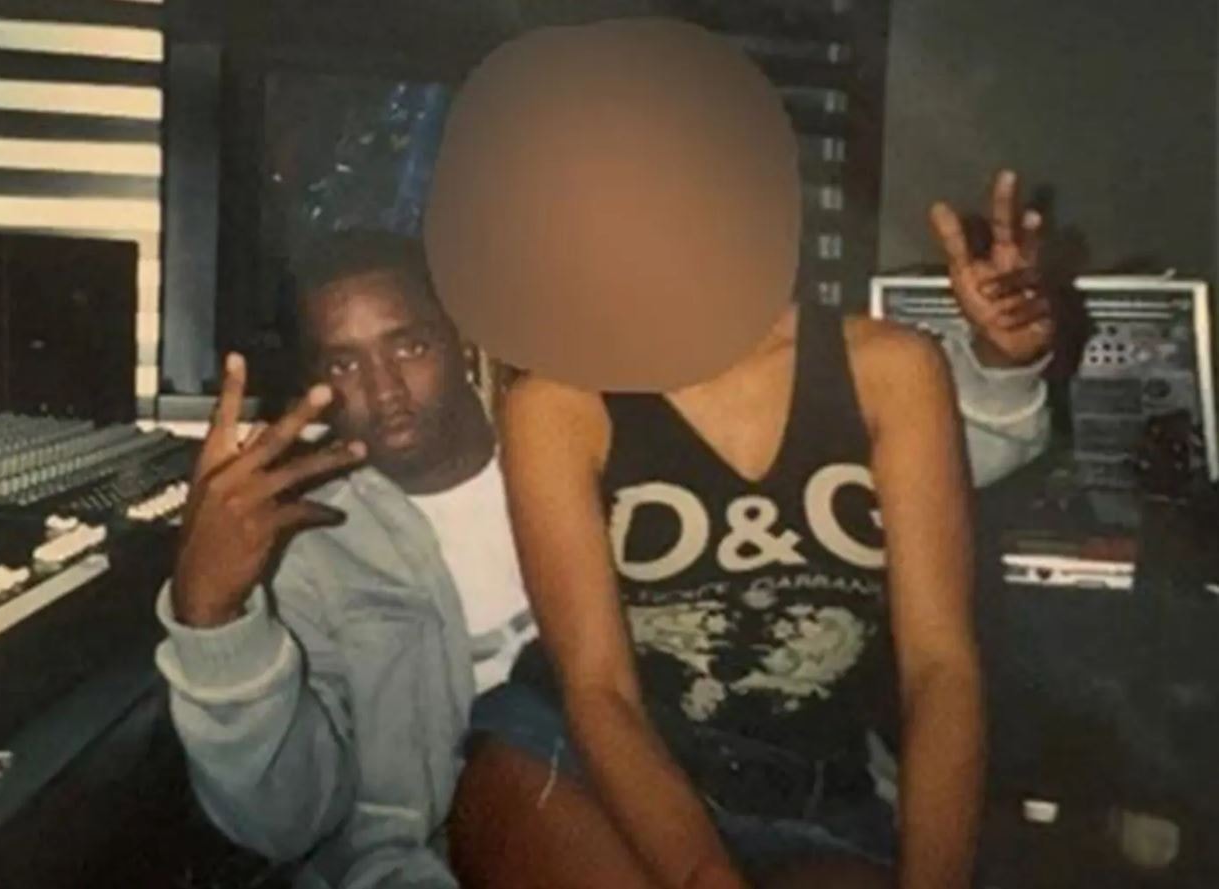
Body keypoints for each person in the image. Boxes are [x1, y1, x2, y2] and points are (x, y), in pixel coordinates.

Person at [154, 211, 1051, 887]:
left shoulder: (588, 432)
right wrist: (214, 618)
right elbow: (282, 820)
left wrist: (1000, 365)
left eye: (410, 345)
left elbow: (867, 469)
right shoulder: (305, 548)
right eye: (343, 364)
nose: (384, 389)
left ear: (463, 339)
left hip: (730, 788)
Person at [447, 172, 1047, 889]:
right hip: (587, 763)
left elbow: (940, 666)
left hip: (808, 789)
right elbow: (599, 690)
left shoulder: (891, 368)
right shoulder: (557, 403)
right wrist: (707, 877)